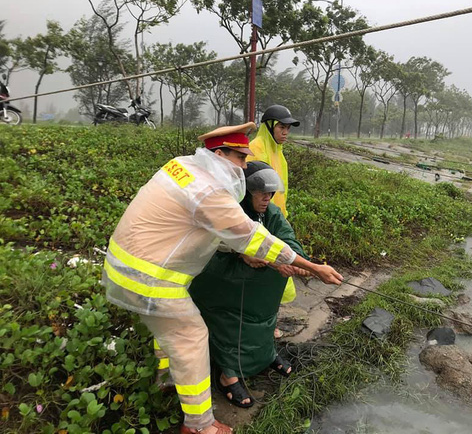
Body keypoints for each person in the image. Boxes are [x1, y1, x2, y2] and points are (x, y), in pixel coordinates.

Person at [101, 122, 343, 434]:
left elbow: (199, 224)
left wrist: (240, 250)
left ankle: (167, 380)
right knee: (192, 337)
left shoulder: (182, 167)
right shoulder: (210, 192)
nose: (244, 166)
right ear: (219, 153)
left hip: (127, 266)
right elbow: (253, 237)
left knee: (168, 333)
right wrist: (313, 267)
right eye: (240, 158)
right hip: (150, 280)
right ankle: (200, 425)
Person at [189, 161, 311, 408]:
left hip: (262, 297)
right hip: (226, 291)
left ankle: (265, 355)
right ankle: (228, 374)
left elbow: (288, 239)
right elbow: (207, 244)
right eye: (260, 192)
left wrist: (292, 260)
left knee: (264, 322)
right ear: (245, 190)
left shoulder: (270, 213)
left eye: (270, 192)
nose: (267, 197)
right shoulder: (228, 210)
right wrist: (240, 254)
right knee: (229, 325)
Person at [248, 105, 300, 315]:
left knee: (280, 268)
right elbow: (252, 189)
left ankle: (270, 318)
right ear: (269, 126)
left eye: (288, 128)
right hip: (261, 221)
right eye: (282, 127)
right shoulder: (257, 149)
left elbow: (280, 191)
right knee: (269, 268)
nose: (286, 132)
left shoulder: (278, 152)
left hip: (275, 220)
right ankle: (264, 319)